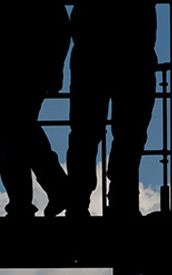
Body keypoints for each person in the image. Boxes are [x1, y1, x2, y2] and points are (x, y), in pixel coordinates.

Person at [0, 0, 71, 218]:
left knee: (11, 139)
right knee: (23, 133)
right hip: (29, 74)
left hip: (1, 77)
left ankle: (28, 200)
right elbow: (61, 29)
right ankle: (49, 192)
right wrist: (57, 69)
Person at [58, 0, 158, 218]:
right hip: (134, 59)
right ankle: (122, 200)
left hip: (92, 57)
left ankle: (79, 200)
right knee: (130, 135)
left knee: (85, 135)